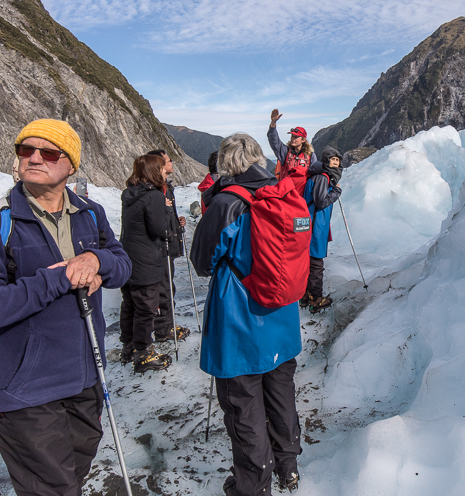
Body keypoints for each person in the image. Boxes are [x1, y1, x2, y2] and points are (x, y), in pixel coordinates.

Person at [0, 119, 132, 496]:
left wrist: (98, 261)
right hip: (24, 388)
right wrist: (59, 277)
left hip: (85, 377)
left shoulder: (89, 212)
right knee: (54, 489)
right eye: (25, 150)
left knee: (73, 475)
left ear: (71, 165)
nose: (34, 158)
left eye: (48, 152)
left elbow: (122, 263)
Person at [191, 133, 303, 496]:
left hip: (240, 321)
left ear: (226, 163)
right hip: (282, 317)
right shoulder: (284, 194)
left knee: (245, 410)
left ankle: (252, 486)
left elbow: (202, 262)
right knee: (281, 396)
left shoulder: (227, 202)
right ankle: (289, 468)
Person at [118, 154, 172, 372]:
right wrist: (166, 209)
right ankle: (144, 353)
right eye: (160, 169)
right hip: (146, 260)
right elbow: (158, 229)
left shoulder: (128, 194)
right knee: (146, 308)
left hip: (128, 258)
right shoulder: (154, 197)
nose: (163, 172)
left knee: (130, 304)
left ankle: (129, 347)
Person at [147, 149, 190, 343]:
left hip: (167, 241)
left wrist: (176, 221)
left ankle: (166, 324)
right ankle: (164, 328)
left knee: (167, 285)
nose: (171, 163)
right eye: (168, 160)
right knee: (164, 287)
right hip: (159, 246)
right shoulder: (156, 190)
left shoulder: (166, 188)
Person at [302, 146, 343, 313]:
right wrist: (336, 191)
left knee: (308, 261)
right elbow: (320, 201)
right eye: (332, 159)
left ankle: (304, 295)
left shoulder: (318, 176)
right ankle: (316, 299)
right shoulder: (323, 177)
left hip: (309, 223)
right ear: (326, 161)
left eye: (337, 160)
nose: (335, 162)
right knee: (316, 263)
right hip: (315, 225)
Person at [267, 108, 317, 192]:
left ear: (303, 140)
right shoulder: (285, 152)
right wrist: (273, 123)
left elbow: (315, 175)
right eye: (292, 136)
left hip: (302, 196)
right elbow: (274, 142)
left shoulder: (311, 156)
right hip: (286, 195)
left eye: (296, 137)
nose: (293, 139)